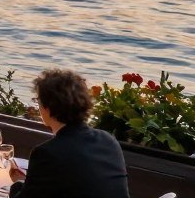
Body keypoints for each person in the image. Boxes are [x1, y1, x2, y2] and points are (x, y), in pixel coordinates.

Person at [8, 69, 129, 198]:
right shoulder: (108, 140)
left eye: (38, 100)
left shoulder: (47, 153)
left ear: (48, 107)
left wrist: (17, 184)